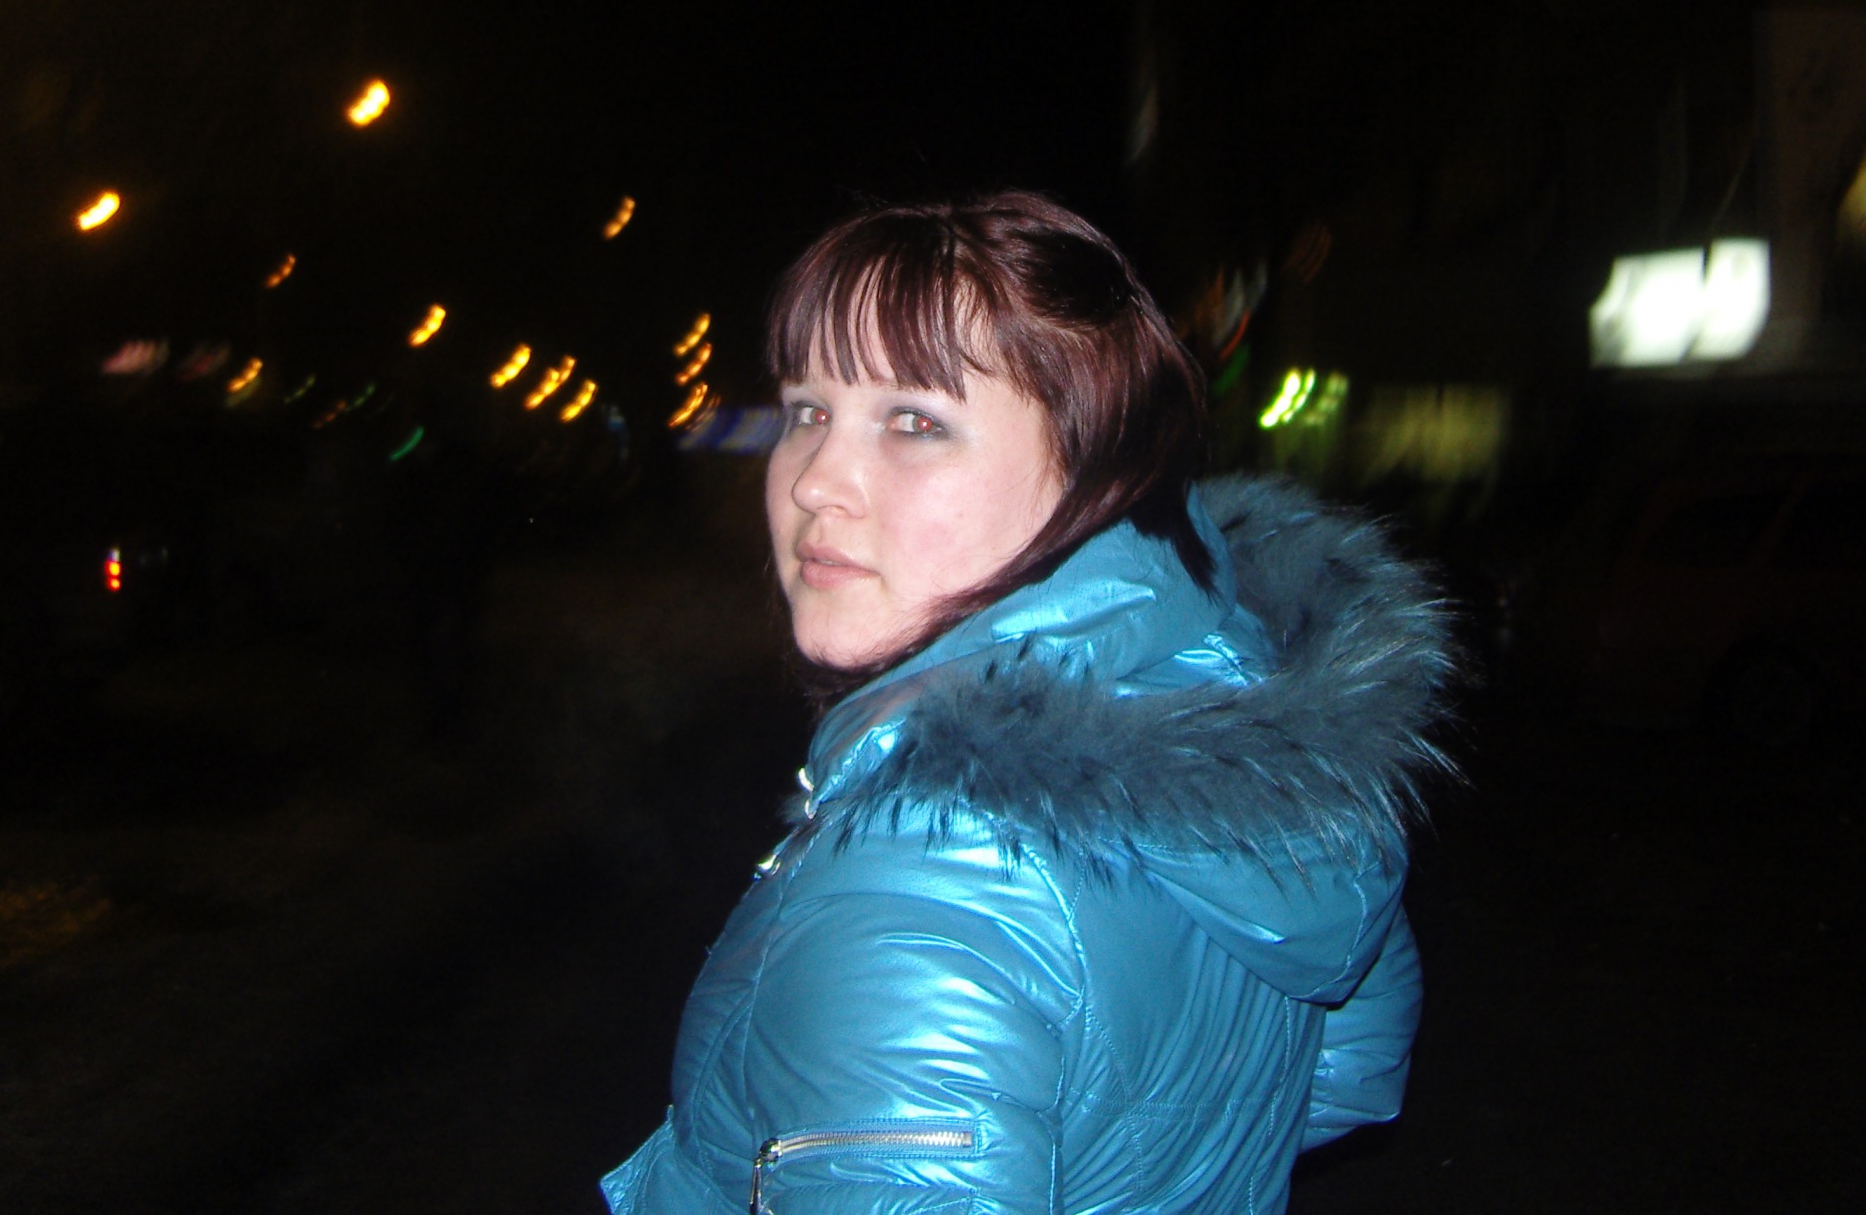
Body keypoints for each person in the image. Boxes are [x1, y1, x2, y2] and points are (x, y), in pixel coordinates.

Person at [603, 192, 1458, 1214]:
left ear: (1089, 475)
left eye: (915, 421)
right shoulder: (1232, 698)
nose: (814, 482)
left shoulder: (918, 899)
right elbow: (1345, 1070)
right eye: (807, 412)